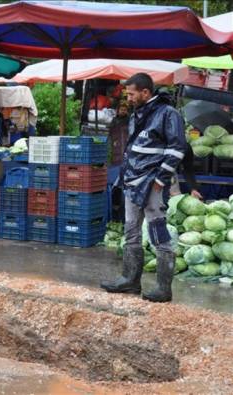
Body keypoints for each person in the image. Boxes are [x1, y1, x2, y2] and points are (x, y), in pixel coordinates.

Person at [101, 73, 187, 303]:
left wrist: (160, 179)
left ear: (145, 92)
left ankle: (163, 288)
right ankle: (130, 280)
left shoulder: (169, 114)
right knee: (131, 232)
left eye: (131, 94)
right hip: (131, 182)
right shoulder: (137, 114)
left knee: (159, 233)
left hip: (152, 185)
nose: (128, 98)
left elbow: (178, 147)